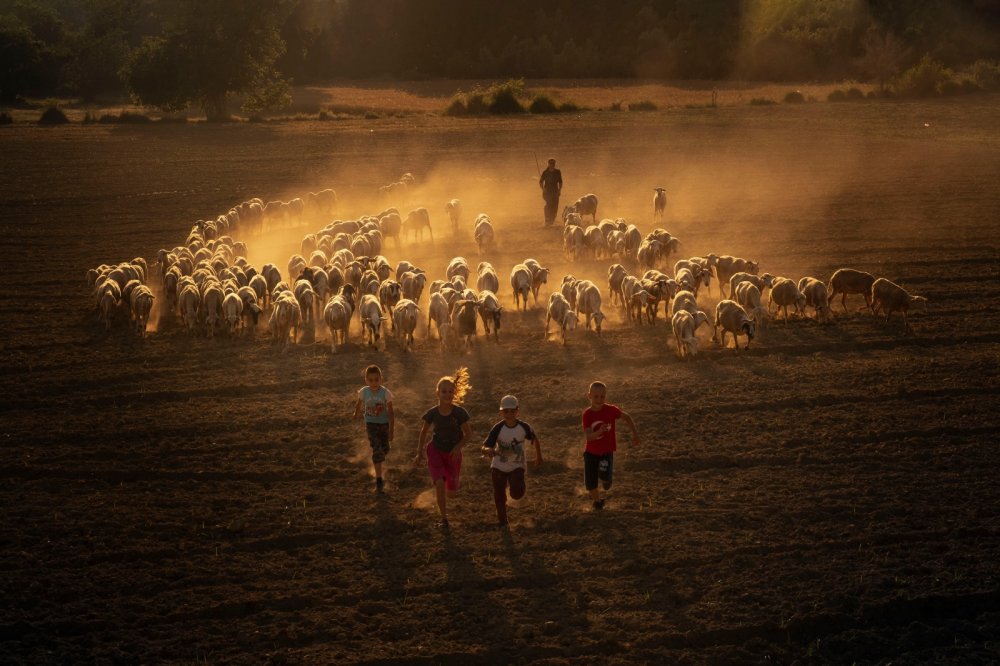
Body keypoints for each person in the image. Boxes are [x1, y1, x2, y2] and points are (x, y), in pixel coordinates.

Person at [413, 367, 472, 530]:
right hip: (435, 451)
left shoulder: (460, 413)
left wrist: (457, 448)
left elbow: (468, 435)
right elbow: (423, 433)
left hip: (453, 455)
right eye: (444, 391)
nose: (447, 394)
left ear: (454, 393)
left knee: (451, 493)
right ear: (437, 393)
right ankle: (444, 518)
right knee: (439, 483)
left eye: (450, 391)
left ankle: (446, 492)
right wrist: (418, 454)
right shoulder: (432, 413)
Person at [481, 395, 543, 528]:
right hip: (498, 466)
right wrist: (488, 450)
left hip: (517, 466)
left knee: (516, 493)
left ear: (517, 411)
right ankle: (503, 521)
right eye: (506, 411)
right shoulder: (497, 428)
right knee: (499, 495)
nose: (509, 414)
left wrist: (539, 456)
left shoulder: (524, 427)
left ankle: (519, 488)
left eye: (512, 411)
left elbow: (535, 438)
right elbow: (485, 446)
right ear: (501, 412)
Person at [581, 380, 640, 510]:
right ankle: (598, 502)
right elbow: (589, 437)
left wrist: (635, 434)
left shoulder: (611, 410)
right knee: (590, 484)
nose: (599, 399)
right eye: (596, 396)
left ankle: (607, 480)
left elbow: (627, 417)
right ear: (589, 396)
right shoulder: (587, 414)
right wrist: (600, 431)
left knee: (605, 480)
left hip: (606, 453)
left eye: (602, 396)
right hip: (590, 453)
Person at [352, 365, 395, 493]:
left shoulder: (385, 393)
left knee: (384, 449)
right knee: (377, 450)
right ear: (366, 380)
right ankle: (379, 479)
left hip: (384, 424)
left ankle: (381, 456)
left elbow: (391, 413)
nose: (374, 383)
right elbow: (359, 403)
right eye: (370, 380)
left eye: (376, 379)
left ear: (381, 379)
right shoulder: (364, 392)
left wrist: (391, 431)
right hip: (370, 424)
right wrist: (356, 413)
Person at [539, 157, 562, 227]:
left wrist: (559, 190)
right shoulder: (545, 172)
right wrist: (543, 189)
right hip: (547, 192)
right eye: (551, 164)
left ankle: (552, 220)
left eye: (553, 164)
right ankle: (547, 219)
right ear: (548, 164)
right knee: (549, 205)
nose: (552, 165)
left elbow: (560, 182)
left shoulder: (558, 172)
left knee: (555, 206)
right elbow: (540, 182)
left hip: (555, 192)